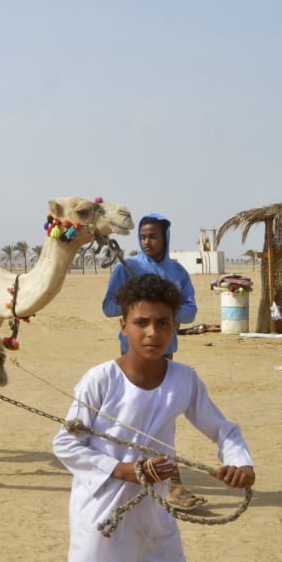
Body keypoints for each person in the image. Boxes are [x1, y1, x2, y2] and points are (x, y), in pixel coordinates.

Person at [38, 274, 255, 562]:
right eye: (141, 323)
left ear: (175, 329)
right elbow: (65, 441)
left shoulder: (184, 380)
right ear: (123, 326)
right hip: (102, 514)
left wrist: (239, 463)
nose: (152, 333)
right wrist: (123, 470)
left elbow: (222, 428)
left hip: (152, 514)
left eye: (162, 323)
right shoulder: (100, 380)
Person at [102, 212, 201, 509]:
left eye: (153, 236)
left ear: (165, 238)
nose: (147, 242)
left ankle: (168, 481)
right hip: (132, 357)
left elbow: (191, 311)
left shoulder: (178, 272)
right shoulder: (128, 267)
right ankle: (138, 477)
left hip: (165, 354)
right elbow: (108, 307)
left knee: (163, 416)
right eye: (143, 236)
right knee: (134, 415)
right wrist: (137, 299)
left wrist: (166, 307)